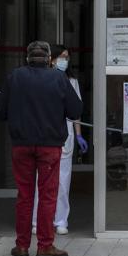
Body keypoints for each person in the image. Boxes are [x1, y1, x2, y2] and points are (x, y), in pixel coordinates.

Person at [0, 41, 83, 256]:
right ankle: (45, 246)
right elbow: (75, 110)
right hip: (49, 146)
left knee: (24, 195)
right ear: (48, 59)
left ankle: (22, 245)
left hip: (21, 145)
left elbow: (0, 111)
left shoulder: (14, 77)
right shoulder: (58, 79)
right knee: (47, 194)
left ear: (27, 58)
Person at [32, 45, 88, 236]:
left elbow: (76, 111)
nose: (65, 60)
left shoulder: (72, 82)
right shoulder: (40, 79)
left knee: (63, 181)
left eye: (67, 57)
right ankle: (36, 221)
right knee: (42, 180)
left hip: (66, 136)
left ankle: (61, 220)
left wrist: (79, 134)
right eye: (61, 57)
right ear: (51, 59)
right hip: (44, 135)